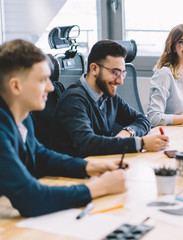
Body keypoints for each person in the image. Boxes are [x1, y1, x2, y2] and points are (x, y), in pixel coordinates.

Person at [0, 39, 127, 217]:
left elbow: (40, 155)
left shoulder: (23, 118)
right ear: (15, 86)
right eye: (43, 80)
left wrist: (88, 166)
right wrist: (100, 187)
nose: (51, 87)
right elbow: (31, 199)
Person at [54, 40, 169, 157]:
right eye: (115, 72)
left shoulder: (107, 95)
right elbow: (87, 144)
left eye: (123, 73)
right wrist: (141, 143)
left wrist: (127, 132)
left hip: (104, 163)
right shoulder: (73, 100)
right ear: (94, 69)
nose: (120, 81)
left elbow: (143, 120)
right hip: (77, 171)